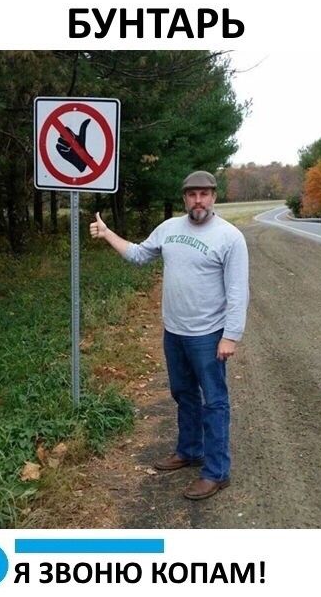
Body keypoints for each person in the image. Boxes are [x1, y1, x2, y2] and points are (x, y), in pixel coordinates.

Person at [89, 170, 249, 500]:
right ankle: (190, 450)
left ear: (214, 197)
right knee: (183, 393)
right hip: (174, 333)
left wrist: (230, 335)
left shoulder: (230, 237)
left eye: (204, 194)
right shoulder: (169, 229)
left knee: (214, 402)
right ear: (184, 198)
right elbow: (138, 255)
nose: (198, 200)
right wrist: (107, 233)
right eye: (192, 194)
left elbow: (238, 291)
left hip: (208, 335)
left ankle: (217, 472)